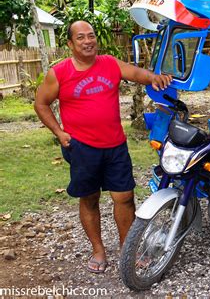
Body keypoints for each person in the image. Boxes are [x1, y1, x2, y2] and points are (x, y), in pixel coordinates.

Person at [34, 20, 172, 273]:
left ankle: (125, 250)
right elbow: (41, 104)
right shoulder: (60, 72)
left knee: (125, 198)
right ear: (70, 43)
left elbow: (135, 73)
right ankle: (98, 250)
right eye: (81, 37)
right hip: (81, 147)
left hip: (115, 145)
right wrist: (59, 132)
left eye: (91, 36)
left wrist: (154, 78)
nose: (88, 41)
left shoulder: (109, 63)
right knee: (89, 199)